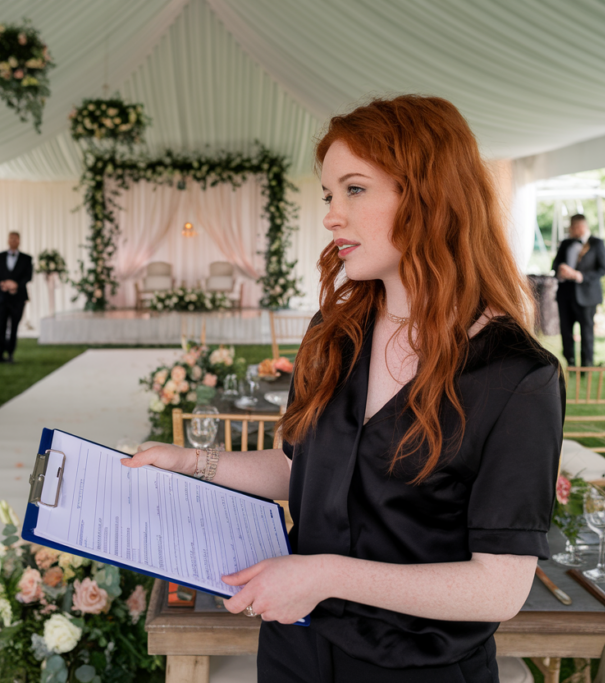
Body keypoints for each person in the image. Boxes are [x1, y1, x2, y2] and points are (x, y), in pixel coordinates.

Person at [123, 96, 564, 682]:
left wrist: (326, 574)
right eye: (329, 195)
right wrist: (192, 461)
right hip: (294, 653)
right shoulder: (332, 334)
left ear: (430, 194)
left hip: (416, 670)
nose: (332, 215)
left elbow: (498, 589)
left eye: (354, 189)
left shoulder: (516, 377)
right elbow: (298, 465)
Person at [551, 214, 605, 367]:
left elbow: (603, 269)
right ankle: (569, 361)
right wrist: (560, 269)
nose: (571, 230)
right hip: (565, 293)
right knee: (565, 329)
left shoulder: (597, 243)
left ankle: (587, 364)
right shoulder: (565, 243)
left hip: (587, 294)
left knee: (587, 331)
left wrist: (580, 275)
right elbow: (555, 264)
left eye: (573, 227)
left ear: (581, 227)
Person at [0, 231, 32, 364]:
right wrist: (1, 283)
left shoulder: (26, 258)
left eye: (16, 239)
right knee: (1, 325)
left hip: (18, 298)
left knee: (14, 326)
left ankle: (11, 354)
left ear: (19, 241)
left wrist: (16, 284)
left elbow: (28, 276)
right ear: (8, 240)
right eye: (11, 238)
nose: (13, 241)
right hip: (1, 297)